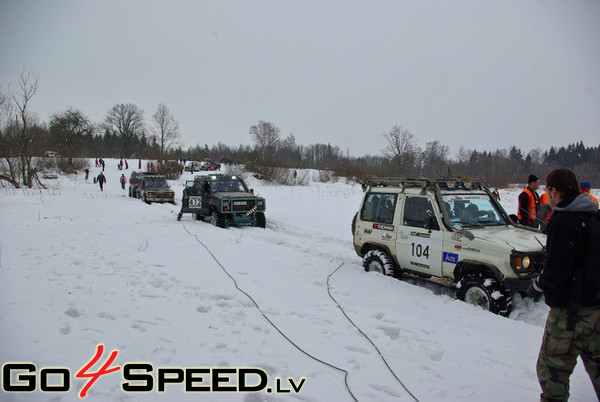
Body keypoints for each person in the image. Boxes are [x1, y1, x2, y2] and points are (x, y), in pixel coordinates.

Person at [527, 168, 600, 401]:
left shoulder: (562, 222)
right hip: (596, 311)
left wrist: (539, 285)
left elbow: (556, 272)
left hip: (569, 314)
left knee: (551, 371)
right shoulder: (595, 217)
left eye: (547, 189)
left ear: (554, 191)